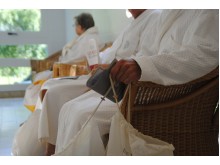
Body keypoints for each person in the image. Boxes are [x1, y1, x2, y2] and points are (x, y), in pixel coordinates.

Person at [54, 9, 218, 155]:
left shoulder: (206, 10)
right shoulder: (169, 12)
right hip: (145, 89)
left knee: (81, 115)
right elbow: (147, 52)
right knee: (70, 107)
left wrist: (142, 66)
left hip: (170, 100)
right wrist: (123, 64)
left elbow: (206, 54)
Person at [23, 12, 104, 112]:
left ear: (81, 26)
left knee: (41, 84)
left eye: (75, 25)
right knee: (39, 79)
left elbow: (80, 60)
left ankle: (39, 113)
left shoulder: (89, 39)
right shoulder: (85, 37)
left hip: (71, 71)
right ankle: (37, 114)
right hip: (64, 68)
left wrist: (59, 66)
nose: (75, 28)